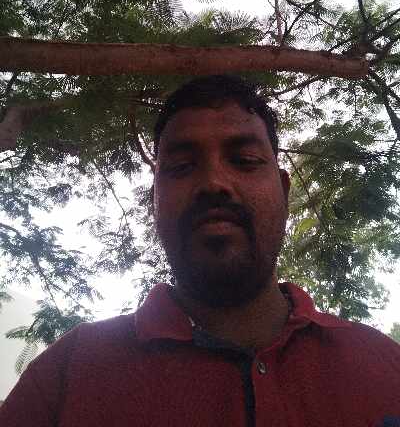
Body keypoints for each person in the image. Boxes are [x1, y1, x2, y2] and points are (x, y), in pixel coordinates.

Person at [1, 75, 400, 427]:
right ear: (154, 200)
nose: (213, 183)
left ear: (284, 190)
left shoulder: (385, 364)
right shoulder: (65, 375)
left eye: (244, 160)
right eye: (181, 166)